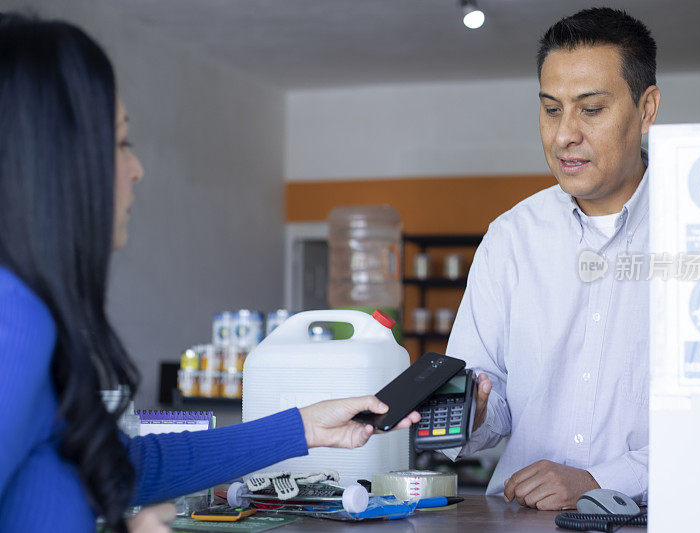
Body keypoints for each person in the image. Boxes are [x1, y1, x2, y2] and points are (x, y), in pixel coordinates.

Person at [0, 14, 419, 533]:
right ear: (58, 159)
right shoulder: (14, 320)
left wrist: (308, 425)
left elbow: (126, 465)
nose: (137, 169)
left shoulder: (34, 311)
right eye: (122, 143)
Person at [445, 7, 660, 510]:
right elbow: (484, 400)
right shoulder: (510, 238)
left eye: (590, 109)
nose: (564, 135)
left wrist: (600, 480)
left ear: (646, 109)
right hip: (520, 519)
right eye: (550, 109)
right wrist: (470, 412)